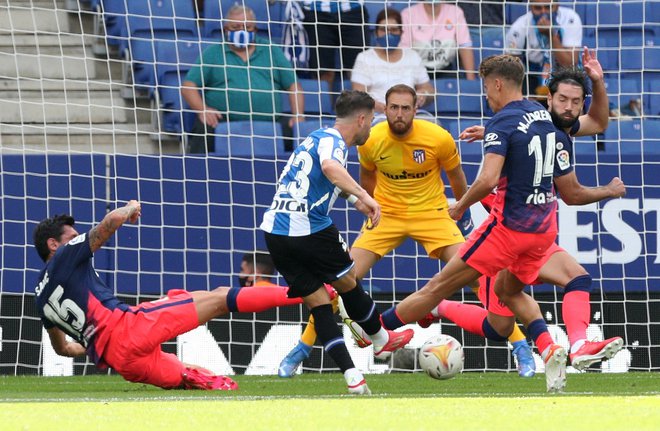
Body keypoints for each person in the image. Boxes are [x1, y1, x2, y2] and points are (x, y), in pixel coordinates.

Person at [278, 83, 535, 378]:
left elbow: (457, 177)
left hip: (433, 214)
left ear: (416, 110)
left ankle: (520, 346)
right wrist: (369, 209)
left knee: (478, 274)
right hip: (387, 215)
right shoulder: (371, 139)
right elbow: (367, 179)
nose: (399, 114)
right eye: (393, 108)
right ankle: (302, 349)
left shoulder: (437, 137)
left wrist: (462, 212)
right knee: (341, 282)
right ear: (384, 109)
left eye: (405, 108)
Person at [375, 54, 591, 392]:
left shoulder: (508, 128)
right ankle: (553, 347)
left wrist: (460, 205)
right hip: (528, 231)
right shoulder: (540, 122)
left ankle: (373, 327)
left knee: (492, 317)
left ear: (497, 83)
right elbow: (591, 129)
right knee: (503, 310)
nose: (485, 94)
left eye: (486, 86)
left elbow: (488, 178)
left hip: (509, 234)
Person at [447, 48, 624, 371]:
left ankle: (571, 346)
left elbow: (598, 122)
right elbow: (567, 192)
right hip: (503, 234)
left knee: (571, 282)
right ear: (548, 99)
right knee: (498, 325)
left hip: (532, 233)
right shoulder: (528, 125)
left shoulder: (559, 128)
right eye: (562, 100)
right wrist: (609, 191)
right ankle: (436, 309)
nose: (569, 108)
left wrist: (598, 82)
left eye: (575, 101)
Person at [33, 201, 309, 391]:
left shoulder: (40, 298)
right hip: (131, 329)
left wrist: (91, 340)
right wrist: (131, 208)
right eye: (72, 236)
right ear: (53, 244)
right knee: (219, 298)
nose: (77, 239)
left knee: (203, 379)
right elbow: (111, 221)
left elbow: (62, 349)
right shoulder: (66, 256)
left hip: (122, 362)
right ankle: (308, 291)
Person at [260, 90, 414, 395]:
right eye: (371, 120)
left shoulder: (313, 137)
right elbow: (330, 168)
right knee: (348, 281)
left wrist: (351, 198)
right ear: (360, 119)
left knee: (319, 304)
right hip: (309, 228)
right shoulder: (335, 142)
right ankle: (381, 339)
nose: (371, 127)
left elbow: (317, 178)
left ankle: (353, 378)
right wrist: (365, 196)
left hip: (275, 231)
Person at [181, 4, 305, 153]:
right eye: (235, 27)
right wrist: (203, 110)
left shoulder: (271, 50)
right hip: (222, 121)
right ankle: (199, 173)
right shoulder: (213, 52)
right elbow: (188, 86)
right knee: (203, 127)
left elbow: (293, 85)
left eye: (247, 27)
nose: (242, 31)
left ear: (256, 29)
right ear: (226, 29)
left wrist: (298, 115)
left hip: (271, 120)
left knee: (299, 130)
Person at [351, 8, 435, 113]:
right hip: (378, 117)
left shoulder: (412, 56)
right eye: (383, 30)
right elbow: (358, 96)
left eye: (394, 30)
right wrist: (387, 110)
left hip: (411, 116)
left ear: (401, 32)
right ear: (375, 33)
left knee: (434, 124)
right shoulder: (364, 58)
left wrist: (424, 93)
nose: (389, 34)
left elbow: (430, 90)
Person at [505, 0, 583, 98]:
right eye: (538, 8)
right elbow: (509, 69)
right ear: (531, 7)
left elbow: (570, 64)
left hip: (563, 71)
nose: (544, 13)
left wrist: (551, 35)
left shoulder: (570, 18)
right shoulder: (519, 27)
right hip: (532, 73)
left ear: (557, 6)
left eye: (548, 7)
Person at [399, 0, 476, 80]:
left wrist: (471, 80)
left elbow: (465, 46)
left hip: (446, 70)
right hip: (417, 72)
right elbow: (405, 51)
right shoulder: (407, 14)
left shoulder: (456, 12)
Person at [301, 1, 370, 89]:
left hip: (353, 8)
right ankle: (323, 102)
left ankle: (360, 103)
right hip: (315, 10)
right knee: (323, 72)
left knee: (359, 71)